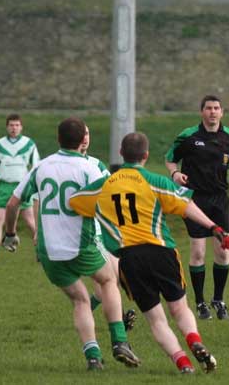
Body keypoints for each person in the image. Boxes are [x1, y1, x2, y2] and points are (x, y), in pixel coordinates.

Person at [69, 132, 229, 374]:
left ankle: (183, 364)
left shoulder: (103, 186)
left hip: (129, 260)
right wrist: (214, 227)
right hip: (161, 252)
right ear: (146, 156)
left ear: (121, 154)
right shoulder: (155, 181)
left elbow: (73, 201)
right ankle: (194, 339)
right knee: (179, 308)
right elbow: (186, 206)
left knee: (156, 319)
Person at [4, 117, 140, 371]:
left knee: (80, 300)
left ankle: (93, 357)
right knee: (109, 280)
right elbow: (113, 201)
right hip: (81, 245)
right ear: (82, 141)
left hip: (49, 251)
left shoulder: (41, 166)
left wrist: (11, 233)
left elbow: (13, 204)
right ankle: (120, 341)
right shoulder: (90, 169)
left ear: (58, 139)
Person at [165, 95, 229, 321]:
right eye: (209, 108)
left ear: (222, 112)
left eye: (216, 108)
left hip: (219, 200)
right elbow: (170, 158)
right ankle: (200, 302)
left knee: (223, 250)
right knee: (198, 252)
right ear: (202, 112)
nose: (213, 112)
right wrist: (175, 174)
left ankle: (219, 300)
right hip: (194, 200)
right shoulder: (188, 136)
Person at [79, 125, 136, 331]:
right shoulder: (67, 165)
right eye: (81, 134)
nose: (84, 138)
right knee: (108, 279)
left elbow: (112, 191)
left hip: (100, 230)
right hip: (82, 232)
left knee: (110, 279)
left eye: (87, 133)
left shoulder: (97, 164)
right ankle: (118, 322)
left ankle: (88, 310)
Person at [0, 114, 40, 262]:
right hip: (4, 187)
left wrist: (37, 188)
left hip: (22, 187)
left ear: (21, 127)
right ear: (7, 127)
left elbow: (36, 167)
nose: (14, 128)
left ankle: (41, 252)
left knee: (31, 222)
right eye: (11, 125)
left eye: (17, 125)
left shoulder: (29, 144)